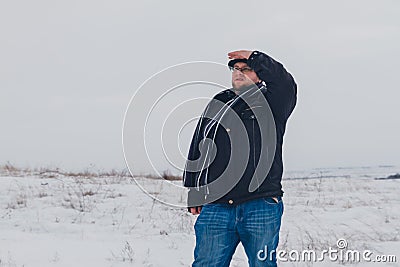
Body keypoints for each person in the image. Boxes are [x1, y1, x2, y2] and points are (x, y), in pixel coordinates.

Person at [183, 50, 297, 267]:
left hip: (260, 202)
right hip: (217, 204)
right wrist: (194, 189)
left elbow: (284, 82)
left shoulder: (273, 102)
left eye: (247, 69)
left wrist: (256, 57)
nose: (239, 73)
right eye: (236, 68)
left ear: (260, 74)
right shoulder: (220, 101)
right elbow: (200, 143)